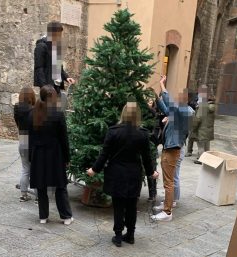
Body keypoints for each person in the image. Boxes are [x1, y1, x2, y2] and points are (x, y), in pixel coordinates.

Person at [87, 101, 159, 247]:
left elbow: (104, 154)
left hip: (117, 174)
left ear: (124, 113)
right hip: (134, 174)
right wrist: (152, 172)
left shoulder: (113, 131)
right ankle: (131, 235)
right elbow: (147, 157)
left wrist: (94, 170)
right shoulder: (143, 134)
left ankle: (118, 236)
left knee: (118, 204)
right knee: (132, 205)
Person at [28, 85, 73, 225]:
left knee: (41, 185)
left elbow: (30, 138)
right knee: (60, 185)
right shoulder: (58, 114)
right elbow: (63, 139)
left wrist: (31, 156)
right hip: (55, 154)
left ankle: (43, 216)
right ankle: (66, 216)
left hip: (38, 154)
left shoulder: (32, 114)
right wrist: (67, 157)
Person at [151, 75, 193, 221]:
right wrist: (156, 97)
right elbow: (165, 107)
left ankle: (167, 212)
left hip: (172, 149)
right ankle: (167, 205)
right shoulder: (179, 112)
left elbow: (169, 102)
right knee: (168, 180)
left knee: (169, 181)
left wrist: (162, 85)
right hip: (169, 147)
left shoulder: (186, 112)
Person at [34, 21, 75, 111]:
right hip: (47, 87)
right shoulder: (41, 46)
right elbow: (39, 69)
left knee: (56, 112)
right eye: (58, 34)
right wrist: (45, 88)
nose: (60, 37)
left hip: (56, 86)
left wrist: (66, 77)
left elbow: (58, 67)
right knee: (47, 113)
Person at [14, 88, 36, 202]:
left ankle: (23, 194)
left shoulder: (17, 109)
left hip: (22, 138)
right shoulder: (35, 109)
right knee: (35, 170)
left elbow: (17, 123)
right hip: (33, 140)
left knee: (25, 169)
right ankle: (38, 196)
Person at [192, 85, 216, 165]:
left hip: (201, 129)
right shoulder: (213, 106)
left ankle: (201, 160)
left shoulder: (203, 106)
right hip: (209, 129)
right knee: (207, 145)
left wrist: (194, 127)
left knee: (200, 145)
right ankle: (207, 159)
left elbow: (198, 118)